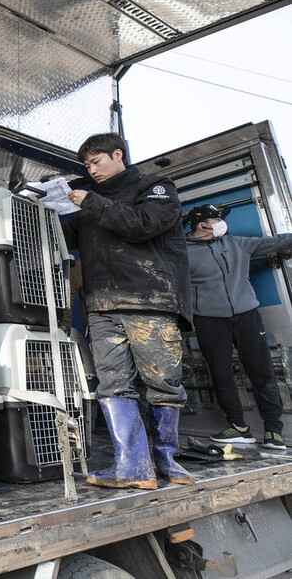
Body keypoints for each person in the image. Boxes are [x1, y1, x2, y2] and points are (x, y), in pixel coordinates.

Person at [64, 133, 193, 489]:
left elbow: (144, 225)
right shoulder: (93, 204)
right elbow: (69, 237)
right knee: (112, 384)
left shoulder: (154, 187)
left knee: (162, 383)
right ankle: (133, 468)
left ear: (117, 154)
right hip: (102, 305)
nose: (91, 171)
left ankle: (167, 461)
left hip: (147, 298)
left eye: (96, 162)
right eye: (86, 165)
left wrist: (92, 203)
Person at [184, 204, 292, 450]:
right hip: (209, 319)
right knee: (220, 374)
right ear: (202, 225)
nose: (222, 222)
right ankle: (238, 427)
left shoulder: (237, 243)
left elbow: (275, 243)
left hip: (247, 315)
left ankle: (273, 430)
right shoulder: (180, 250)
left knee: (261, 371)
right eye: (217, 219)